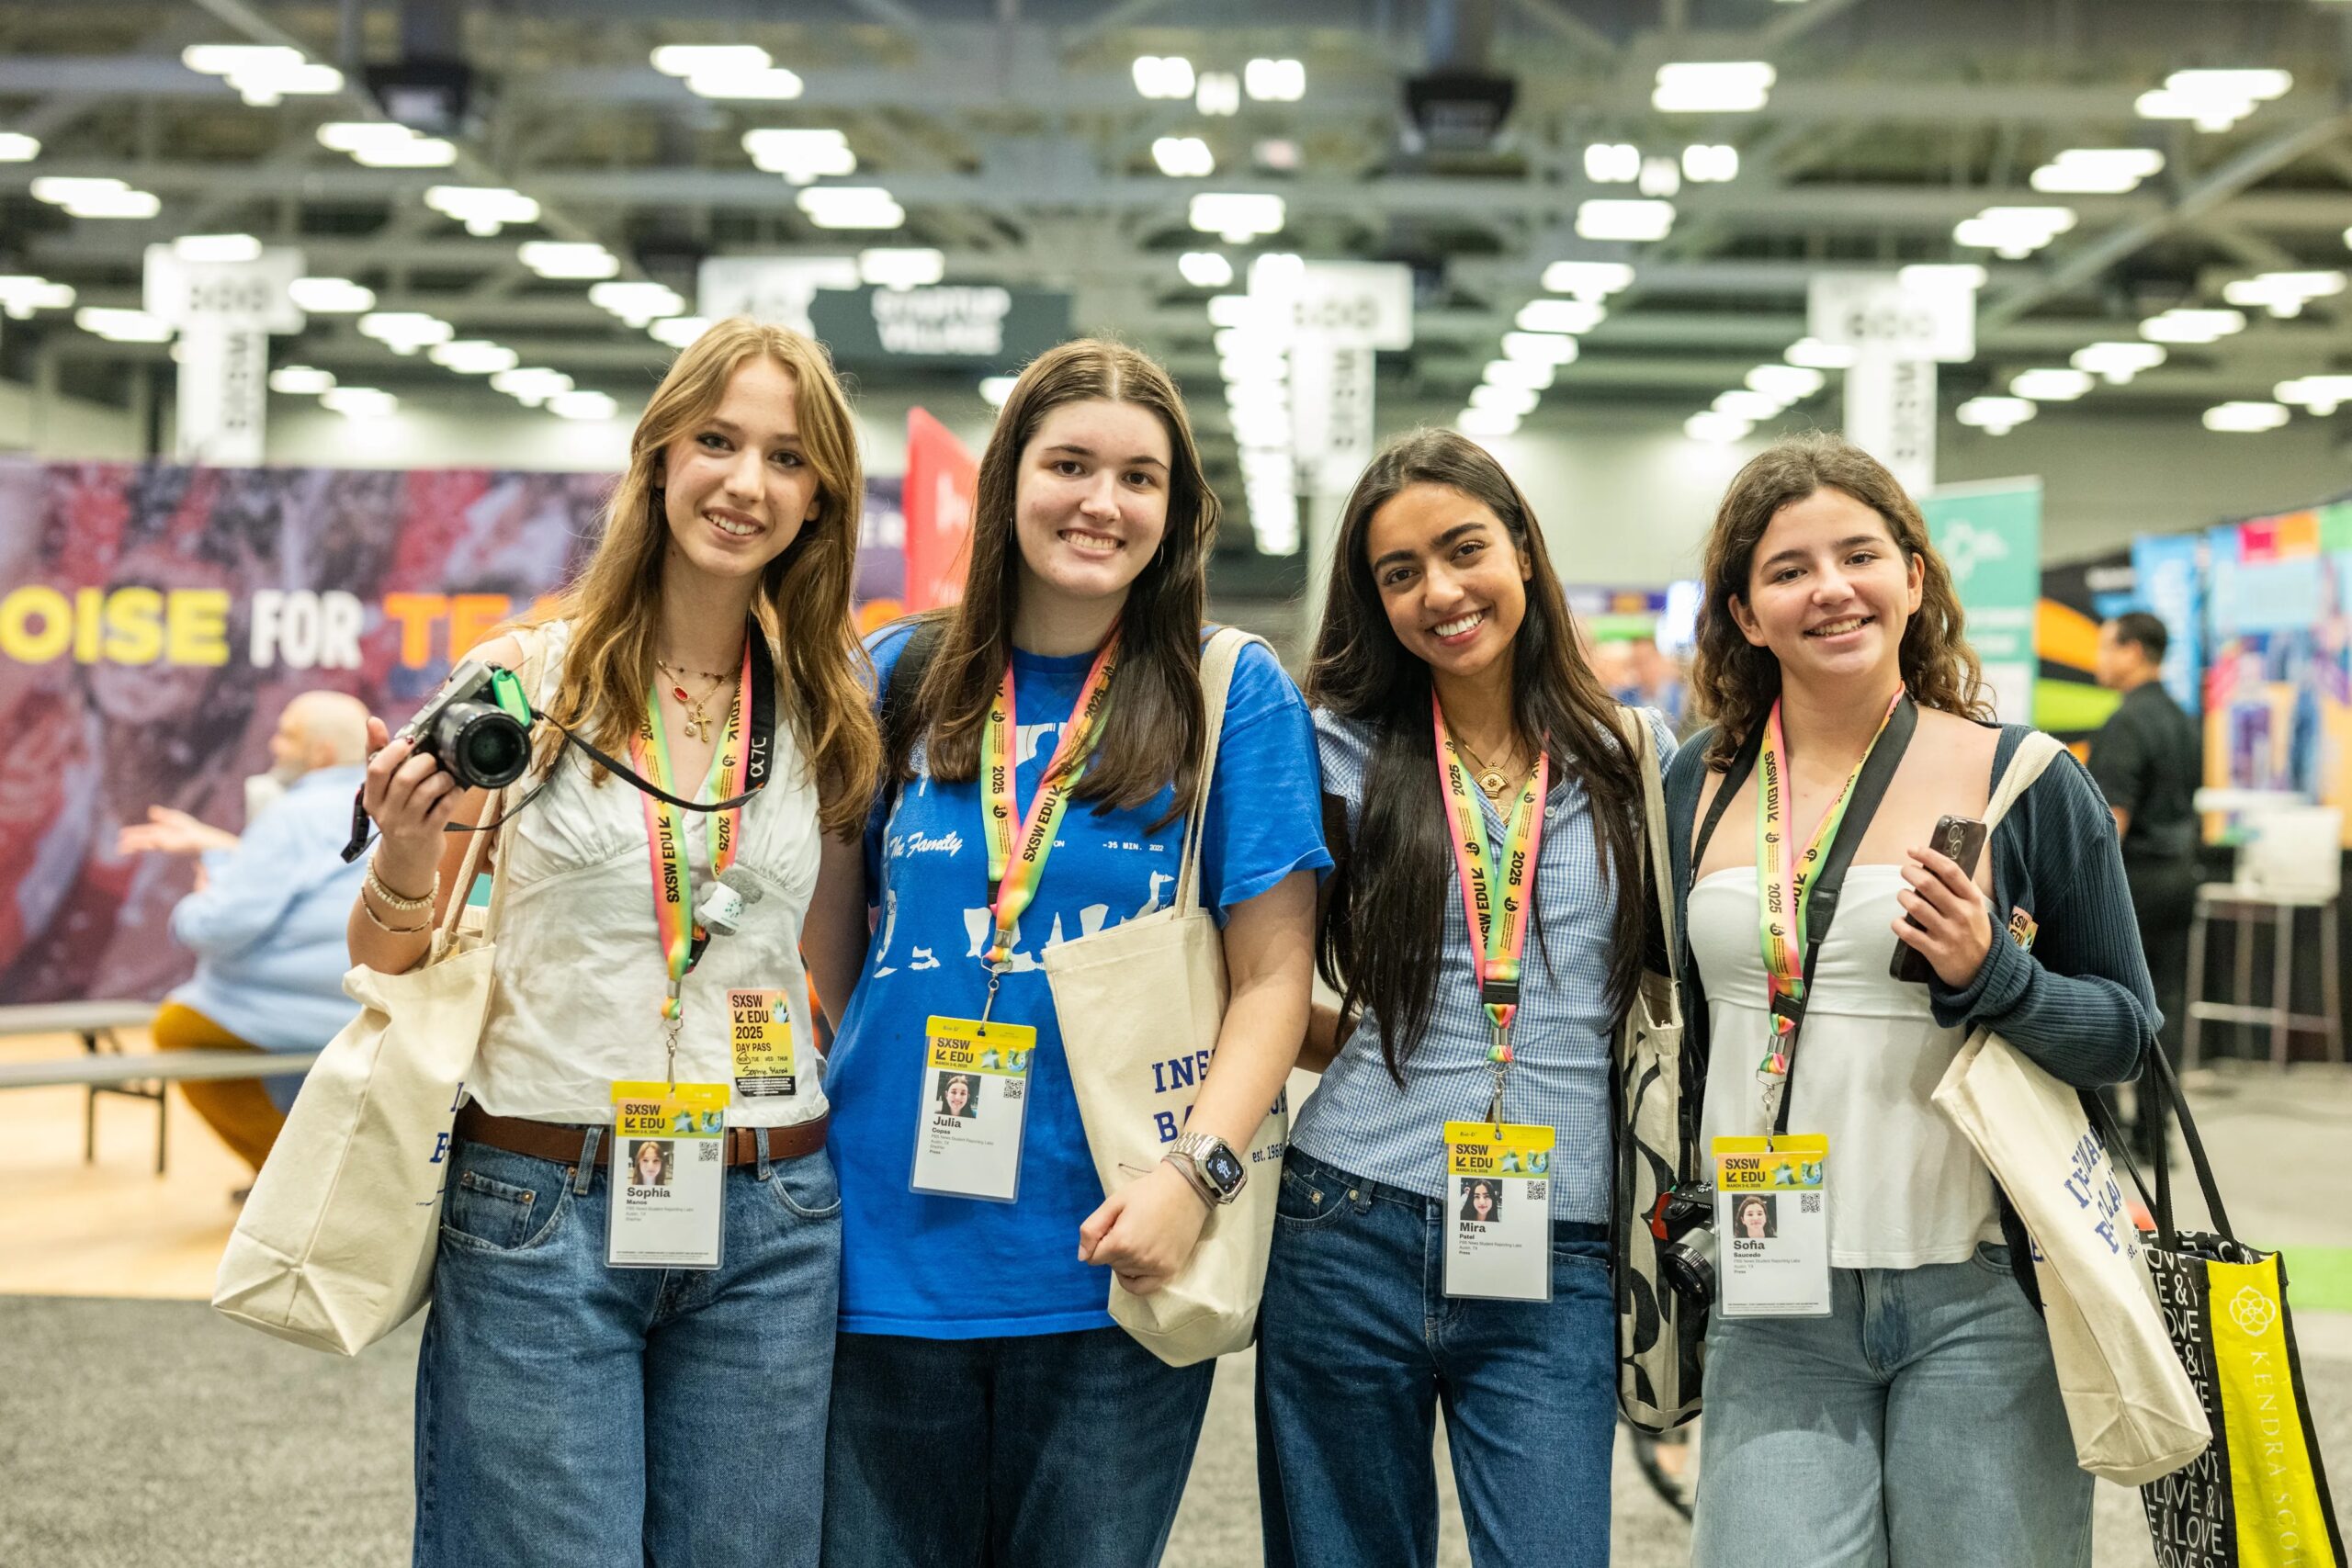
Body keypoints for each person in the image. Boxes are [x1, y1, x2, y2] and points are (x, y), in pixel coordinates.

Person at [347, 317, 877, 1566]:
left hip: (771, 1211)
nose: (745, 483)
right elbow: (384, 961)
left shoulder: (828, 703)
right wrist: (406, 851)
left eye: (786, 457)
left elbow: (842, 967)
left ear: (819, 498)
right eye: (717, 441)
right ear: (659, 456)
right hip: (542, 1202)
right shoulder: (528, 679)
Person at [803, 338, 1329, 1568]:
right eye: (1070, 465)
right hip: (883, 1246)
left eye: (1139, 478)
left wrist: (1194, 1179)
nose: (1102, 501)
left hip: (1116, 1247)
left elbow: (1272, 978)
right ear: (1007, 483)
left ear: (1174, 512)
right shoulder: (899, 674)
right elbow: (825, 938)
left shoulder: (1228, 692)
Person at [1667, 433, 2156, 1568]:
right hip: (1768, 1283)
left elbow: (2125, 1034)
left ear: (1913, 579)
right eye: (1788, 570)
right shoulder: (1698, 782)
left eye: (1859, 556)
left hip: (1983, 1294)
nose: (1829, 589)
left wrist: (1996, 978)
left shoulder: (2024, 779)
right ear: (1744, 615)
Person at [1260, 428, 1669, 1568]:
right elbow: (1251, 979)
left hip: (1560, 1236)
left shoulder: (1633, 759)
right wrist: (1360, 1042)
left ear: (1523, 550)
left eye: (1463, 549)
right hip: (1351, 1218)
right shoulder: (1330, 751)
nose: (1439, 592)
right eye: (1399, 573)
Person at [116, 690, 373, 1185]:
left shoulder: (292, 813)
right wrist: (219, 847)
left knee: (177, 1029)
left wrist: (193, 906)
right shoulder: (382, 806)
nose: (274, 744)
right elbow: (314, 881)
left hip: (295, 1010)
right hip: (358, 1003)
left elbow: (224, 924)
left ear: (321, 753)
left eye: (287, 735)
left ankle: (291, 1184)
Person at [2090, 610, 2201, 1163]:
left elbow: (2112, 819)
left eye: (2106, 647)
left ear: (2132, 651)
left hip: (2133, 883)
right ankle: (2157, 1135)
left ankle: (2107, 1130)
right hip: (2180, 877)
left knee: (2104, 997)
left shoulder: (2126, 723)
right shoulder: (2183, 719)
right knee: (2167, 1006)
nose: (2098, 659)